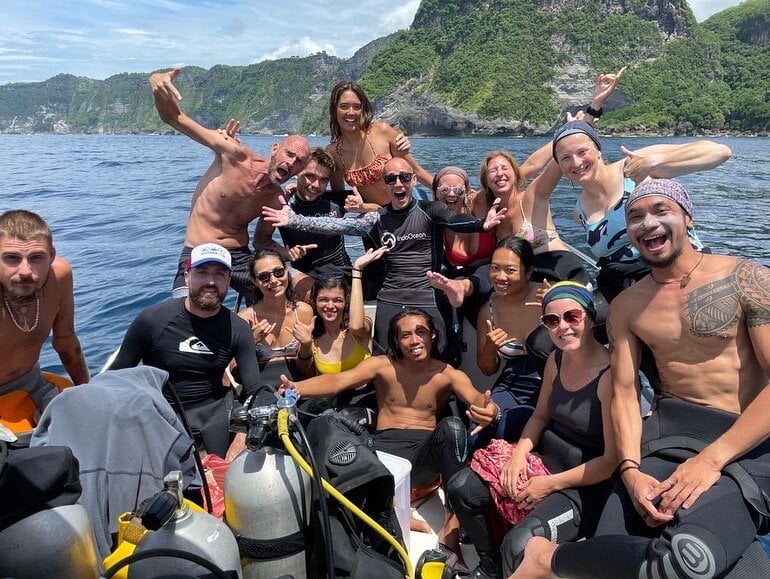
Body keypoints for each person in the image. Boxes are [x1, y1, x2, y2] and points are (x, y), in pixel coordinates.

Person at [511, 179, 770, 579]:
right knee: (614, 564)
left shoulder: (745, 279)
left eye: (660, 211)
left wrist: (711, 460)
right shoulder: (627, 306)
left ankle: (547, 560)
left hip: (740, 445)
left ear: (686, 216)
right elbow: (625, 393)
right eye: (635, 216)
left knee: (688, 562)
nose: (648, 223)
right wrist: (630, 470)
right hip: (664, 437)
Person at [280, 307, 500, 557]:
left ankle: (451, 526)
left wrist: (489, 408)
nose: (414, 340)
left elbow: (475, 397)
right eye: (405, 335)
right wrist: (296, 388)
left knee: (453, 427)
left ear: (433, 336)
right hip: (381, 457)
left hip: (422, 461)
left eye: (421, 332)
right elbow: (338, 381)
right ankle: (394, 512)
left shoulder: (446, 374)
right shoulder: (382, 365)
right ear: (396, 341)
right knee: (333, 422)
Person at [261, 156, 506, 360]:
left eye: (404, 177)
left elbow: (455, 221)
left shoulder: (431, 211)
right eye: (391, 179)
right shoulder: (377, 219)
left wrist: (482, 224)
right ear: (385, 185)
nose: (398, 183)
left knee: (442, 356)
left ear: (411, 181)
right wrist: (294, 219)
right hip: (391, 295)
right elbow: (334, 225)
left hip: (427, 293)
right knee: (387, 359)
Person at [447, 281, 615, 578]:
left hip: (582, 484)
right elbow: (539, 416)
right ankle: (491, 566)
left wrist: (550, 485)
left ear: (589, 317)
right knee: (462, 488)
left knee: (519, 545)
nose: (562, 327)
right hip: (544, 460)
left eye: (572, 317)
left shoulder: (611, 376)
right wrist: (518, 456)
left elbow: (611, 462)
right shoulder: (556, 358)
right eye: (551, 321)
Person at [551, 89, 732, 303]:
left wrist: (655, 163)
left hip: (675, 275)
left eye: (582, 152)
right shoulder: (579, 211)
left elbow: (720, 152)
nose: (576, 163)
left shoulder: (634, 165)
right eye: (566, 158)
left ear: (598, 150)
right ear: (561, 166)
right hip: (624, 289)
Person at [149, 67, 311, 304]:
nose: (291, 162)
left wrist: (286, 253)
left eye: (299, 162)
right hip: (199, 250)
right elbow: (174, 117)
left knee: (288, 298)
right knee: (182, 312)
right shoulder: (232, 154)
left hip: (239, 257)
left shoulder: (276, 200)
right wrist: (157, 83)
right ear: (275, 148)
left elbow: (261, 242)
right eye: (289, 153)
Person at [111, 243, 270, 458]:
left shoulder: (238, 328)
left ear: (229, 280)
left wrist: (242, 437)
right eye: (202, 273)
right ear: (187, 277)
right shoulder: (152, 321)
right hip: (161, 411)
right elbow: (115, 378)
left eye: (219, 274)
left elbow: (254, 389)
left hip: (214, 414)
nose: (211, 282)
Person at [0, 210, 90, 434]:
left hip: (31, 383)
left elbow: (67, 342)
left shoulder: (59, 278)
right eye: (12, 258)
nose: (25, 271)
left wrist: (88, 392)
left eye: (36, 258)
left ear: (51, 256)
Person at [473, 237, 546, 449]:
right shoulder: (488, 311)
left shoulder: (547, 296)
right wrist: (490, 346)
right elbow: (487, 369)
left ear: (529, 272)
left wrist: (555, 309)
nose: (500, 277)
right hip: (513, 384)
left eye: (510, 270)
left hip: (553, 384)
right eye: (495, 268)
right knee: (482, 430)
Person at [327, 80, 432, 208]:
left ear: (363, 109)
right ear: (334, 109)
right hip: (377, 212)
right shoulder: (333, 153)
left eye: (357, 106)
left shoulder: (382, 131)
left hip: (410, 202)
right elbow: (338, 196)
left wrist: (445, 191)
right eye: (344, 106)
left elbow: (417, 171)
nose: (351, 112)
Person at [233, 249, 315, 387]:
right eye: (264, 277)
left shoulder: (303, 312)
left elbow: (304, 369)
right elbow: (235, 373)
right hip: (262, 390)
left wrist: (306, 345)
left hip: (299, 387)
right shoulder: (244, 319)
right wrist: (249, 344)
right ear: (254, 281)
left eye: (278, 272)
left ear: (287, 272)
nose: (273, 280)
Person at [310, 248, 385, 376]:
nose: (330, 306)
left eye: (337, 300)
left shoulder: (359, 329)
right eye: (323, 299)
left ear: (346, 302)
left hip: (363, 394)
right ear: (314, 301)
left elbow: (356, 326)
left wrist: (356, 270)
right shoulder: (312, 336)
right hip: (331, 395)